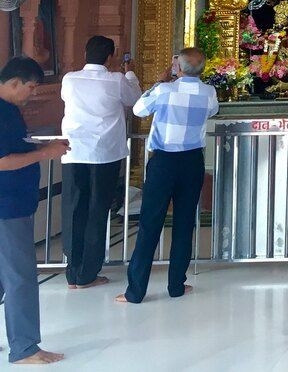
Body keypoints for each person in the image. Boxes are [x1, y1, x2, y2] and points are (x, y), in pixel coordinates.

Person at [118, 48, 217, 305]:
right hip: (193, 161)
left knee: (150, 224)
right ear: (203, 69)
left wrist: (161, 81)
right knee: (184, 224)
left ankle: (136, 291)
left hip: (163, 162)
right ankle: (176, 285)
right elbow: (212, 111)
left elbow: (139, 110)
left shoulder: (164, 91)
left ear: (178, 68)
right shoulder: (209, 93)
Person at [0, 57, 69, 365]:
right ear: (14, 83)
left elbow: (14, 148)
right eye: (29, 88)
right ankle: (25, 348)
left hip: (12, 202)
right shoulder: (2, 113)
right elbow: (2, 161)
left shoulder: (10, 111)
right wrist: (45, 153)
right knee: (20, 277)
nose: (31, 94)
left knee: (5, 278)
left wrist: (39, 147)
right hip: (7, 206)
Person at [60, 35, 141, 290]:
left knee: (74, 210)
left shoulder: (70, 79)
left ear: (85, 53)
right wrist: (130, 74)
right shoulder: (116, 80)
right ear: (110, 57)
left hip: (74, 151)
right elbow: (134, 100)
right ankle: (88, 272)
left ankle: (73, 272)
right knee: (97, 211)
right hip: (104, 154)